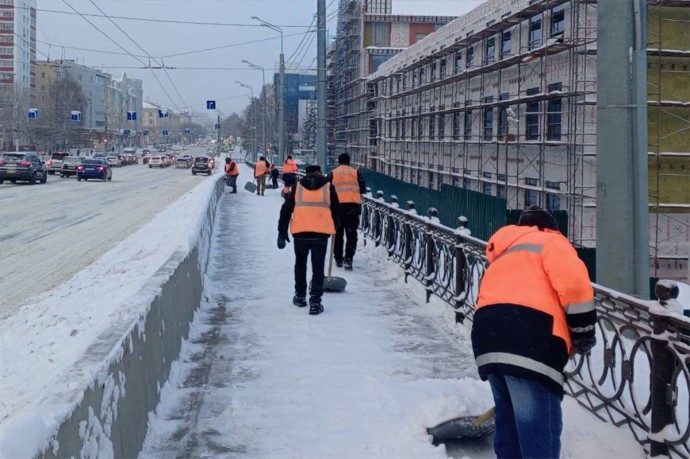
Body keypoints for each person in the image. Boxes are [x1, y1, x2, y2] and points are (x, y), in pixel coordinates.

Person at [471, 206, 596, 459]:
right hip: (529, 340)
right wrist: (583, 332)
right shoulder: (551, 241)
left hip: (488, 337)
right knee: (537, 435)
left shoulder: (504, 251)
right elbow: (575, 288)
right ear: (550, 227)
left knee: (509, 425)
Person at [277, 164, 339, 316]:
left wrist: (282, 232)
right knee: (318, 268)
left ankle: (300, 296)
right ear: (319, 172)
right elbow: (336, 210)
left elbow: (286, 209)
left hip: (301, 232)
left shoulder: (298, 186)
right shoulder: (328, 187)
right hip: (321, 233)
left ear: (305, 173)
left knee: (300, 265)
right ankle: (315, 301)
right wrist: (335, 225)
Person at [327, 153, 366, 271]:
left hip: (337, 208)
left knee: (337, 234)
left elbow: (326, 188)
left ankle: (338, 258)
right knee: (351, 234)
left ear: (339, 161)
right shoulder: (355, 172)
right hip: (352, 208)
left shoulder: (333, 173)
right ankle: (348, 259)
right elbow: (363, 188)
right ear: (349, 161)